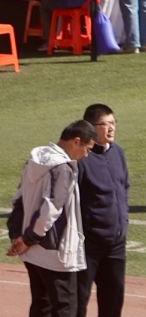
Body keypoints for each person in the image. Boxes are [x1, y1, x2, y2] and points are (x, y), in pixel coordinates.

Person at [7, 120, 92, 317]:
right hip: (55, 254)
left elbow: (19, 200)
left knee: (41, 305)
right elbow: (51, 209)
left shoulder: (34, 160)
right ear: (76, 141)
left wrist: (18, 236)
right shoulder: (62, 168)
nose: (86, 155)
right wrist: (29, 239)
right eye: (87, 149)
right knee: (65, 309)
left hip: (32, 252)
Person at [76, 104, 127, 317]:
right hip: (88, 245)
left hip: (115, 244)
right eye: (104, 124)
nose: (111, 128)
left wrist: (122, 223)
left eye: (113, 123)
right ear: (90, 127)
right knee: (78, 302)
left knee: (113, 302)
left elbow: (124, 188)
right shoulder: (81, 159)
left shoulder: (118, 153)